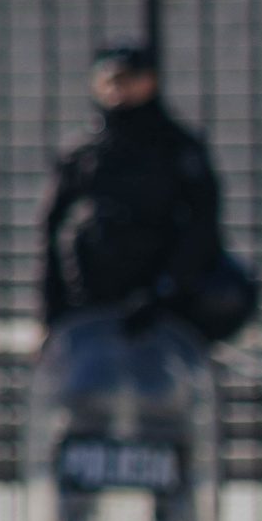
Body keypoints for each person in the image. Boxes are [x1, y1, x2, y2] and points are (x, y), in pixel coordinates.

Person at [39, 42, 240, 333]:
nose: (118, 89)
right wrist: (50, 306)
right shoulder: (82, 151)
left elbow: (202, 222)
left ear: (149, 81)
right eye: (110, 81)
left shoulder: (176, 147)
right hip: (89, 296)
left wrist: (167, 286)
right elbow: (50, 223)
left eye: (128, 79)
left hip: (163, 301)